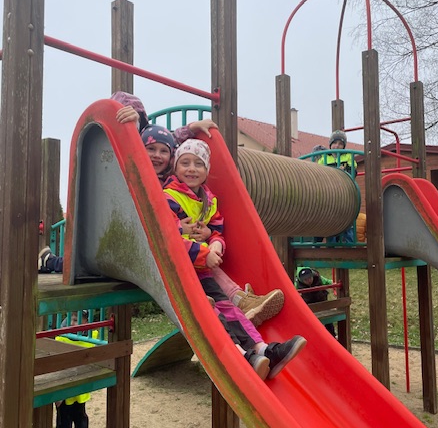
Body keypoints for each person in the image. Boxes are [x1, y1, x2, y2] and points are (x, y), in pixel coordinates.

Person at [39, 118, 284, 326]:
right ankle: (49, 261)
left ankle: (233, 300)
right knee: (84, 263)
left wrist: (192, 128)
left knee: (204, 259)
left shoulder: (169, 178)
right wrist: (129, 119)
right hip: (126, 240)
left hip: (157, 245)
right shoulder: (132, 171)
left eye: (163, 152)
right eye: (150, 149)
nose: (157, 155)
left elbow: (174, 143)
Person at [163, 138, 307, 380]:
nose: (191, 169)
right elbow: (166, 237)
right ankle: (240, 356)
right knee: (210, 312)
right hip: (179, 271)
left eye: (198, 164)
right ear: (175, 168)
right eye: (185, 163)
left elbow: (217, 229)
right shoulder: (168, 197)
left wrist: (216, 244)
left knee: (229, 309)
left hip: (202, 270)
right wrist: (204, 253)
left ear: (206, 170)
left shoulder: (208, 200)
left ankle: (263, 350)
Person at [55, 311, 95, 428]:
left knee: (82, 424)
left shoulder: (91, 337)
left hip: (80, 392)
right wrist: (58, 394)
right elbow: (56, 368)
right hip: (64, 394)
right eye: (72, 319)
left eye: (79, 320)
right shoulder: (62, 338)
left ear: (86, 322)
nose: (74, 323)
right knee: (64, 426)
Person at [318, 130, 358, 244]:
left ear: (344, 146)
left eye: (340, 144)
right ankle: (331, 246)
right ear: (330, 144)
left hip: (345, 193)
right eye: (335, 143)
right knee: (331, 220)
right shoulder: (324, 158)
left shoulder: (348, 156)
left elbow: (353, 172)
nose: (337, 146)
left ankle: (349, 247)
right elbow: (319, 174)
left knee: (347, 221)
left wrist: (344, 172)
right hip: (330, 194)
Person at [296, 267, 336, 338]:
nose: (309, 281)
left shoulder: (318, 277)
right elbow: (292, 291)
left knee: (328, 321)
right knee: (309, 322)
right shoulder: (298, 284)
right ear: (301, 280)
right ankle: (313, 337)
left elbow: (328, 281)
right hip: (309, 306)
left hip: (321, 302)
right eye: (306, 279)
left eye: (310, 278)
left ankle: (332, 336)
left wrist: (333, 283)